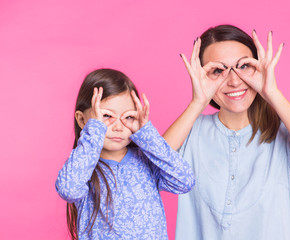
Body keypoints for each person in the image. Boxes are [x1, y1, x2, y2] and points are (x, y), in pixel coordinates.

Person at [163, 25, 290, 240]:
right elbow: (148, 171)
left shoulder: (281, 132)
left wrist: (272, 93)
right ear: (201, 77)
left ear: (260, 67)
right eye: (217, 71)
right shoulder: (191, 132)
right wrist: (197, 102)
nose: (234, 80)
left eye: (244, 66)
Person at [55, 68, 195, 240]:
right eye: (106, 116)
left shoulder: (146, 161)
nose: (118, 127)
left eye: (128, 117)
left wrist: (146, 134)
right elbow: (68, 189)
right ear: (82, 120)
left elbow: (184, 181)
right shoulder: (84, 168)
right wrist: (95, 132)